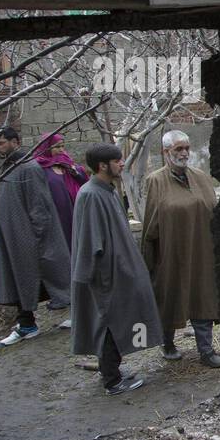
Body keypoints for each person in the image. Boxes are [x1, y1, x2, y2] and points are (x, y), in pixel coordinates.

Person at [71, 143, 163, 395]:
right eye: (118, 161)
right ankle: (111, 381)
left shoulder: (107, 191)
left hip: (119, 270)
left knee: (119, 320)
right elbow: (91, 242)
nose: (122, 164)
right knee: (110, 323)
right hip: (107, 275)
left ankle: (112, 370)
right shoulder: (90, 195)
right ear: (103, 165)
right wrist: (94, 277)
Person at [140, 130, 220, 366]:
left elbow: (213, 210)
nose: (184, 153)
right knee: (170, 296)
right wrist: (150, 257)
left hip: (202, 252)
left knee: (203, 297)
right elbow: (151, 223)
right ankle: (167, 343)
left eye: (186, 147)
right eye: (178, 149)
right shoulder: (156, 180)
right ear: (166, 152)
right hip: (172, 252)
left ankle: (206, 351)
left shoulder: (201, 177)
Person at [0, 126, 72, 346]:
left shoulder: (29, 168)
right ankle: (27, 325)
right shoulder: (8, 167)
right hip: (13, 237)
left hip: (30, 237)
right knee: (20, 280)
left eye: (0, 143)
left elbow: (40, 208)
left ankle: (79, 316)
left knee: (54, 275)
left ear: (16, 141)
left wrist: (38, 239)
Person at [31, 132, 89, 246]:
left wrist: (75, 173)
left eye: (63, 146)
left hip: (74, 211)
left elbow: (85, 183)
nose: (61, 150)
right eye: (57, 147)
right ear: (46, 148)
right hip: (55, 214)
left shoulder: (68, 163)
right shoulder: (38, 167)